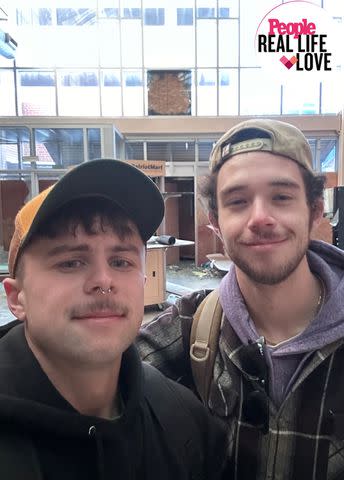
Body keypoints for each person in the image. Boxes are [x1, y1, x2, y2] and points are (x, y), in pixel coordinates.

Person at [137, 119, 344, 479]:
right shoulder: (191, 326)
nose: (260, 218)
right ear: (216, 222)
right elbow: (85, 383)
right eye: (238, 201)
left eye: (281, 197)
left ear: (313, 211)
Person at [0, 159, 228, 480]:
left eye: (121, 261)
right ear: (16, 297)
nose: (104, 279)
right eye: (70, 262)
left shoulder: (186, 423)